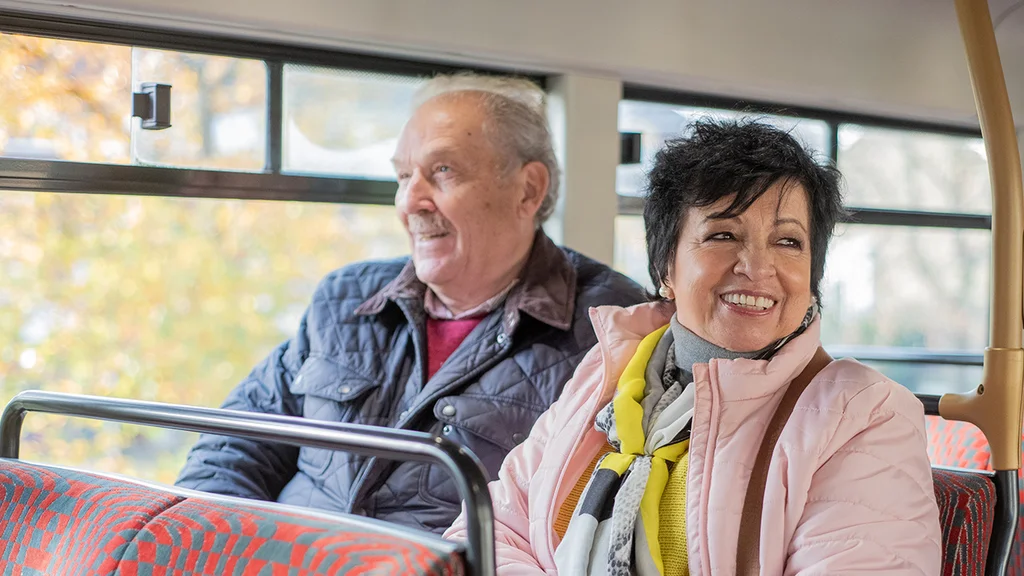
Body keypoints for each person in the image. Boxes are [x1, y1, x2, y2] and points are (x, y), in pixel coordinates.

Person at [445, 119, 941, 573]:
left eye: (788, 242)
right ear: (666, 269)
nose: (757, 267)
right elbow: (490, 531)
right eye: (723, 234)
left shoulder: (863, 413)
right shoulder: (606, 378)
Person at [175, 73, 645, 533]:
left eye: (443, 171)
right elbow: (237, 444)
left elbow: (595, 525)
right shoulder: (343, 299)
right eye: (403, 175)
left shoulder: (613, 329)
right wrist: (196, 542)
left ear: (527, 190)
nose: (410, 200)